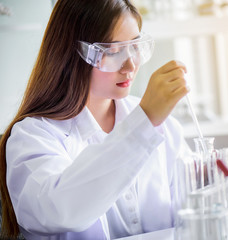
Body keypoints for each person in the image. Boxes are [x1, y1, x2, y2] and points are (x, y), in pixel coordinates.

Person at [0, 0, 191, 239]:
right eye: (113, 51)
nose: (130, 64)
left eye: (134, 46)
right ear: (71, 54)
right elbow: (61, 209)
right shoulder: (32, 137)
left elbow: (195, 210)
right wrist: (144, 122)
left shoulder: (164, 126)